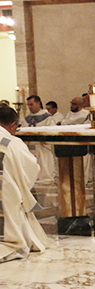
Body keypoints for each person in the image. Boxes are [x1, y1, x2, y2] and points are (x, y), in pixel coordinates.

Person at [0, 106, 50, 262]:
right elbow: (31, 168)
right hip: (4, 194)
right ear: (13, 125)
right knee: (12, 195)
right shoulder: (12, 142)